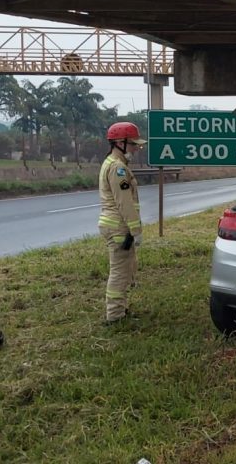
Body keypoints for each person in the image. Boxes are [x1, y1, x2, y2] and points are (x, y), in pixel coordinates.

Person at [98, 121, 147, 323]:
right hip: (118, 226)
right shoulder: (117, 168)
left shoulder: (114, 164)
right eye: (133, 144)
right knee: (119, 271)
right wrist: (136, 230)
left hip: (117, 225)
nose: (136, 148)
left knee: (126, 269)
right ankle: (115, 316)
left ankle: (121, 309)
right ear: (119, 142)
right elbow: (124, 202)